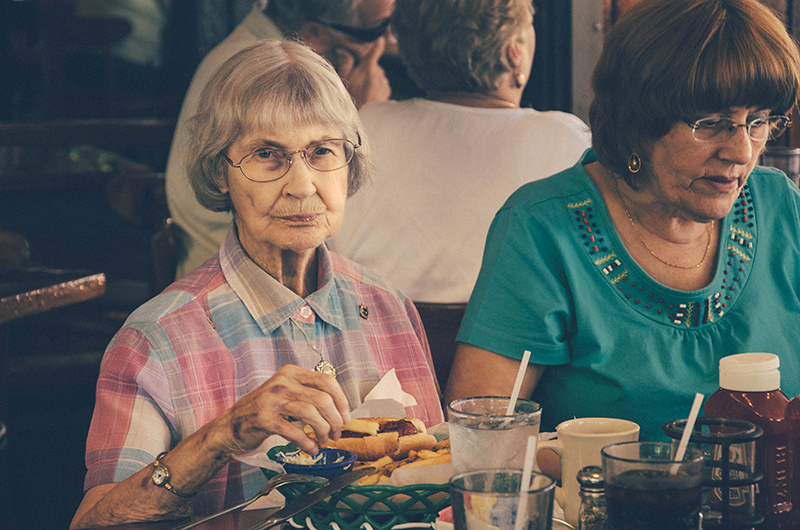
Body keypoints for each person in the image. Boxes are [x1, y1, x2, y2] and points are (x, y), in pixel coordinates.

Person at [70, 39, 442, 529]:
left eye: (322, 151)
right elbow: (93, 522)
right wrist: (223, 434)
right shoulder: (156, 340)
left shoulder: (389, 308)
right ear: (220, 171)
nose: (302, 184)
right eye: (268, 154)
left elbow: (436, 480)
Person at [445, 0, 800, 441]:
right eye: (711, 124)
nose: (742, 152)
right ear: (635, 121)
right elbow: (480, 437)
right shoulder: (542, 228)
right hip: (607, 506)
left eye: (759, 122)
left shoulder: (779, 205)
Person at [329, 0, 591, 304]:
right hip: (517, 349)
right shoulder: (566, 141)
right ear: (514, 53)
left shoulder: (367, 125)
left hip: (372, 343)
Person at [166, 0, 394, 279]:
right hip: (239, 274)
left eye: (322, 150)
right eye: (372, 32)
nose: (385, 42)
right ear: (314, 34)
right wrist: (359, 113)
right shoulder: (251, 71)